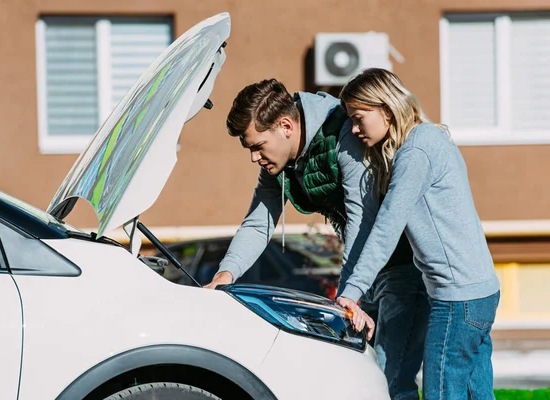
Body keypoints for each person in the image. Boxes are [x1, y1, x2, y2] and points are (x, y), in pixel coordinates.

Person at [204, 78, 429, 400]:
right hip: (366, 271)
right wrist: (224, 277)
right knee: (362, 379)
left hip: (402, 263)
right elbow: (258, 222)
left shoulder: (341, 135)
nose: (254, 157)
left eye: (257, 146)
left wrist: (351, 292)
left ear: (285, 126)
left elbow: (361, 219)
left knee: (390, 381)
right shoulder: (278, 163)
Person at [335, 68, 501, 399]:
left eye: (358, 117)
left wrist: (351, 291)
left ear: (385, 108)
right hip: (480, 293)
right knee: (475, 394)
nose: (353, 129)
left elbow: (385, 230)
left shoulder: (416, 153)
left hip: (456, 300)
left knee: (442, 391)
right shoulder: (431, 138)